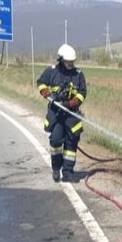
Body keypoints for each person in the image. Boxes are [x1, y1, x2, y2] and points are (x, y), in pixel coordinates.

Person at [37, 44, 87, 182]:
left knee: (72, 143)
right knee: (56, 141)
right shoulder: (52, 72)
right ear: (60, 60)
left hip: (71, 114)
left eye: (72, 62)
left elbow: (83, 93)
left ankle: (68, 172)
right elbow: (40, 83)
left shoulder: (78, 74)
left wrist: (71, 103)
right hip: (56, 114)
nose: (70, 65)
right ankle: (56, 168)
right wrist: (48, 94)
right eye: (67, 62)